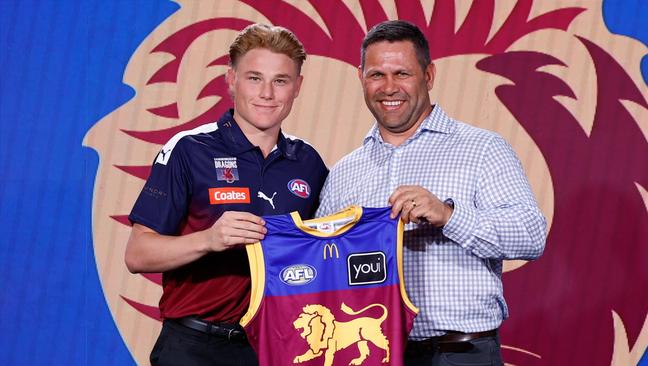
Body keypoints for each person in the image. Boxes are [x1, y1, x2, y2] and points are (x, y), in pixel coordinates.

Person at [316, 20, 546, 365]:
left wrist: (448, 215)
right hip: (372, 353)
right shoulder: (345, 171)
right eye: (377, 74)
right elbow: (322, 261)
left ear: (429, 75)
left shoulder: (482, 149)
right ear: (360, 77)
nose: (389, 87)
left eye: (402, 74)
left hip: (460, 353)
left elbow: (530, 236)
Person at [125, 23, 328, 366]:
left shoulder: (308, 162)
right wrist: (209, 239)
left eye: (280, 80)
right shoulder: (190, 149)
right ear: (231, 80)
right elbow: (137, 254)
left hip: (275, 345)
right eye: (254, 78)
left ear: (297, 87)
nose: (267, 93)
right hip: (194, 346)